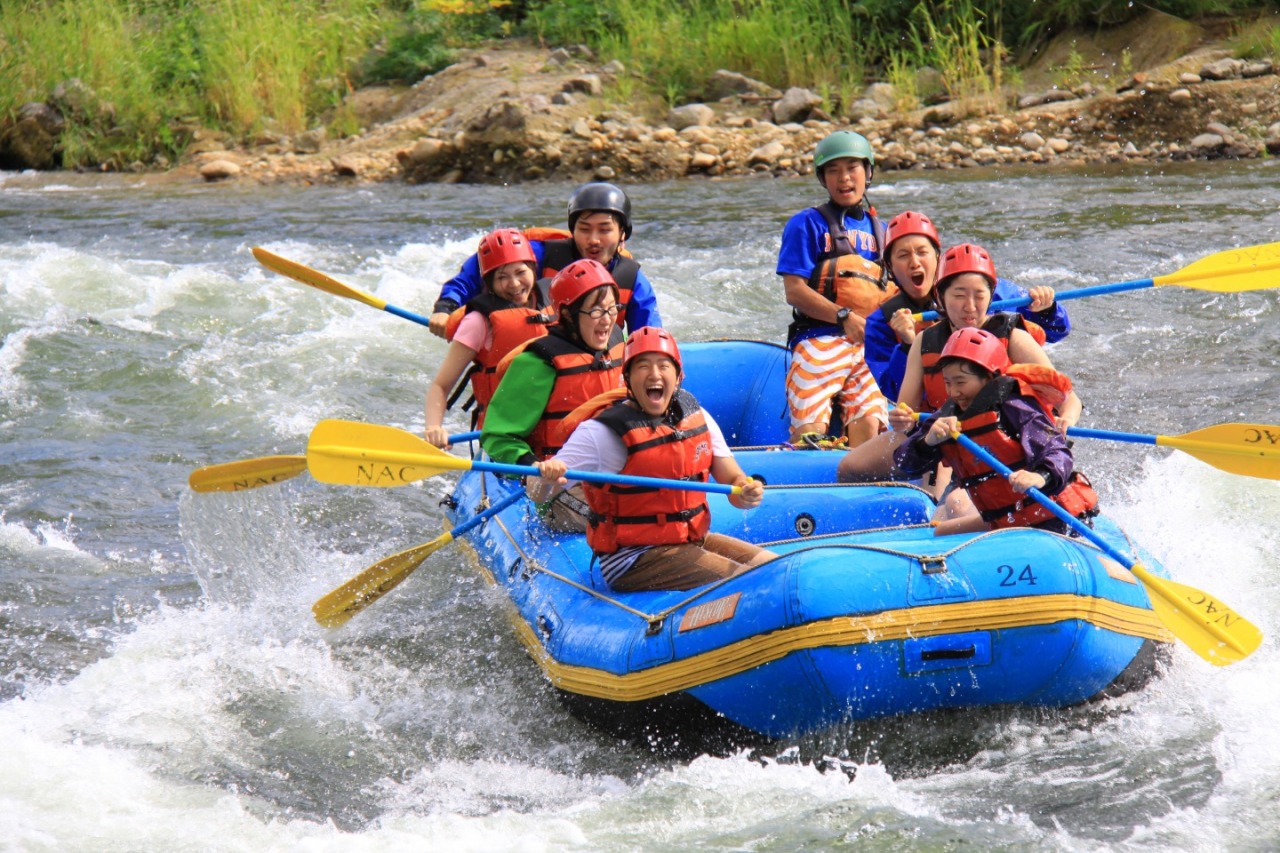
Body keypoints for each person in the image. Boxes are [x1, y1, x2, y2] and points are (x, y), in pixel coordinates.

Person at [528, 327, 775, 591]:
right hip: (632, 558)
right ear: (628, 379)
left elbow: (733, 482)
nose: (654, 374)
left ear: (678, 376)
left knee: (774, 569)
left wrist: (746, 492)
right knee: (749, 584)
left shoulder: (698, 416)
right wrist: (545, 476)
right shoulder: (601, 433)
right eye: (643, 366)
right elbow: (538, 493)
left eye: (663, 366)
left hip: (688, 541)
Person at [838, 242, 1082, 484]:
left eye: (979, 295)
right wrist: (902, 418)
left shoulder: (1013, 337)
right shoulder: (925, 340)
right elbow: (906, 412)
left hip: (1001, 439)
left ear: (991, 296)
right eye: (959, 295)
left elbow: (1069, 399)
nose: (970, 306)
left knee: (948, 498)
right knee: (850, 468)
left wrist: (1066, 420)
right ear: (940, 297)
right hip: (940, 433)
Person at [893, 327, 1099, 537]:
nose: (954, 392)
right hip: (1005, 520)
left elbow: (1058, 453)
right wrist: (927, 442)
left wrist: (1039, 477)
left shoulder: (1016, 408)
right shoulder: (948, 416)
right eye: (948, 383)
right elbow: (904, 464)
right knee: (940, 534)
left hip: (1053, 517)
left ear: (988, 377)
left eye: (961, 382)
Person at [863, 211, 1070, 404]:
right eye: (903, 255)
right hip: (940, 417)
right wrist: (907, 347)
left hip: (1001, 407)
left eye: (922, 252)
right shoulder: (882, 322)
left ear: (937, 257)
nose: (915, 263)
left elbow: (1056, 331)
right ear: (889, 267)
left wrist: (1046, 309)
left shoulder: (988, 293)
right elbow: (895, 393)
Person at [481, 258, 627, 528]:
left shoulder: (618, 344)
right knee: (620, 520)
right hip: (557, 485)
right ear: (569, 315)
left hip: (613, 473)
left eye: (612, 309)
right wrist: (532, 466)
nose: (607, 320)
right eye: (595, 311)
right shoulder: (539, 364)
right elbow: (498, 437)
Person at [776, 130, 896, 449]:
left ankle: (860, 484)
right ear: (823, 179)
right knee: (811, 435)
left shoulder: (884, 233)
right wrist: (843, 316)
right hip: (818, 338)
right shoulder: (806, 224)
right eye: (833, 170)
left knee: (871, 427)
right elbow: (795, 291)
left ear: (868, 172)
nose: (844, 178)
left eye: (852, 167)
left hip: (869, 345)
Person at [429, 182, 661, 337]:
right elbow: (483, 264)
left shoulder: (633, 281)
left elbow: (648, 336)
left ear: (623, 233)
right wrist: (446, 306)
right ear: (573, 230)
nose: (593, 240)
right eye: (584, 229)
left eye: (604, 230)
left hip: (590, 371)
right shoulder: (543, 254)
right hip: (534, 363)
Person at [423, 228, 550, 446]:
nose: (514, 284)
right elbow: (440, 385)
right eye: (502, 277)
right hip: (503, 436)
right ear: (489, 283)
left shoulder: (557, 302)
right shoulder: (478, 322)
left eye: (520, 272)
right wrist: (434, 427)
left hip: (552, 433)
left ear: (533, 269)